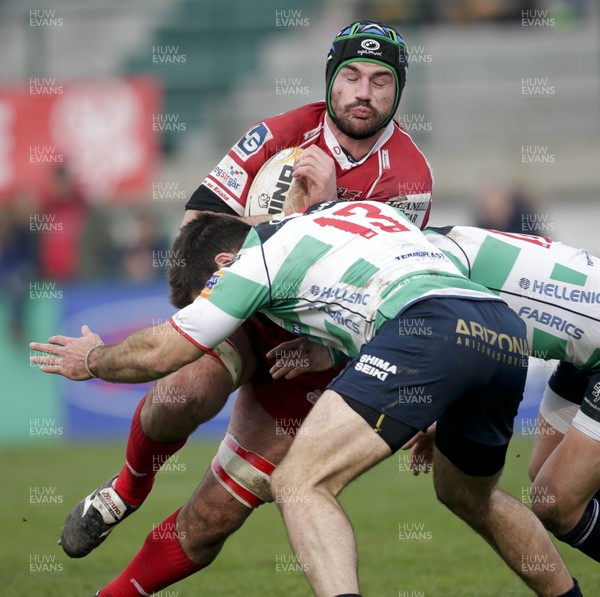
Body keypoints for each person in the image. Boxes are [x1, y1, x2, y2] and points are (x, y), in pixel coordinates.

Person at [54, 19, 434, 593]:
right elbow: (197, 228)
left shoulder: (409, 179)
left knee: (211, 521)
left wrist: (326, 211)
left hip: (317, 348)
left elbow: (382, 288)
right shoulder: (279, 134)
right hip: (244, 314)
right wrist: (285, 222)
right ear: (330, 80)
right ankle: (125, 491)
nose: (363, 92)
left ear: (397, 91)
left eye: (381, 81)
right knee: (179, 395)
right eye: (351, 75)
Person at [32, 201, 580, 596]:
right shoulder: (345, 215)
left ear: (223, 266)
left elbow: (162, 352)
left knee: (299, 482)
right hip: (500, 330)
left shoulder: (256, 261)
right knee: (471, 498)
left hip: (426, 328)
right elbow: (385, 289)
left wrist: (94, 360)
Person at [405, 225, 600, 563]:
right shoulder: (435, 246)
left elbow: (469, 349)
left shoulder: (428, 263)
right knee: (541, 470)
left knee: (553, 501)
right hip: (584, 358)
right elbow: (482, 346)